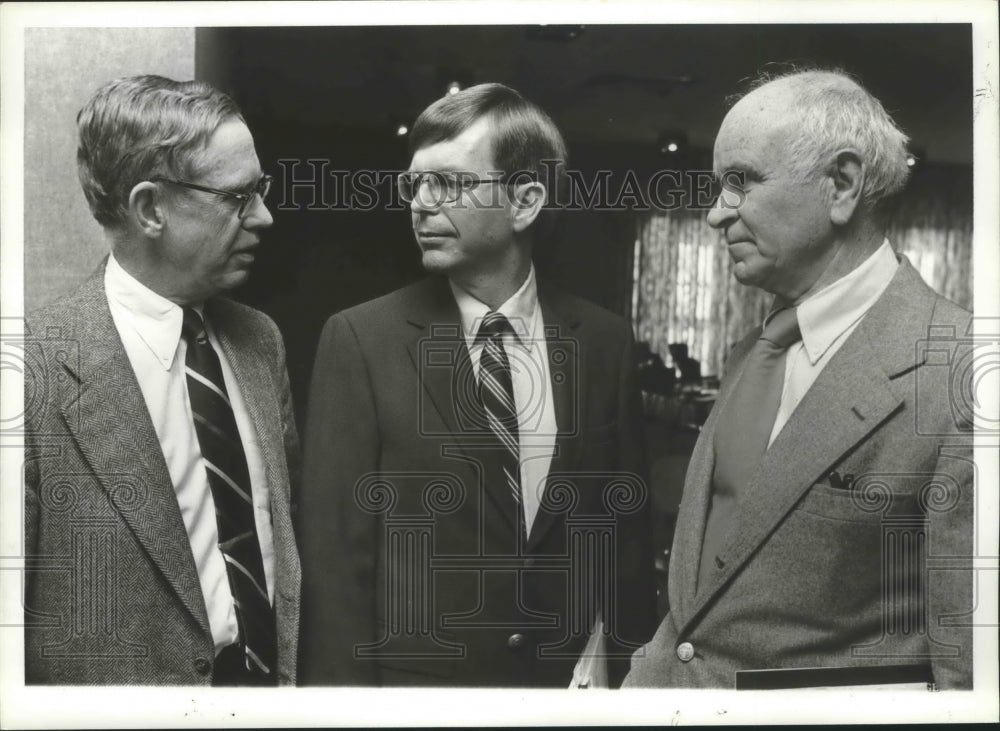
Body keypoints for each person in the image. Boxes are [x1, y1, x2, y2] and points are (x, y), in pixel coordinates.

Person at [298, 83, 656, 687]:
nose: (421, 203)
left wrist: (626, 681)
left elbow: (624, 538)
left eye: (452, 183)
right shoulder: (361, 340)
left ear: (525, 201)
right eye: (415, 183)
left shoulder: (603, 342)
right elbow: (334, 568)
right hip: (417, 702)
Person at [624, 69, 973, 689]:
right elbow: (703, 604)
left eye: (740, 182)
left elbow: (966, 676)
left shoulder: (963, 374)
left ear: (840, 185)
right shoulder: (749, 353)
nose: (713, 215)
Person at [23, 75, 300, 685]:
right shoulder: (31, 372)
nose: (265, 217)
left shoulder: (260, 343)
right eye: (237, 198)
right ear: (151, 209)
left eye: (262, 191)